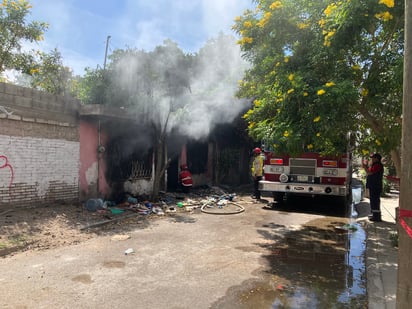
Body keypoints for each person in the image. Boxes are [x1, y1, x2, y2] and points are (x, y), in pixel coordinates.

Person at [363, 153, 384, 222]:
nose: (372, 159)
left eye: (373, 158)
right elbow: (369, 172)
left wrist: (365, 167)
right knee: (373, 200)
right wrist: (366, 167)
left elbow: (369, 173)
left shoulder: (378, 165)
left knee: (375, 201)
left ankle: (377, 217)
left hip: (376, 186)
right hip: (373, 186)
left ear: (377, 159)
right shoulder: (374, 165)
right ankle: (374, 215)